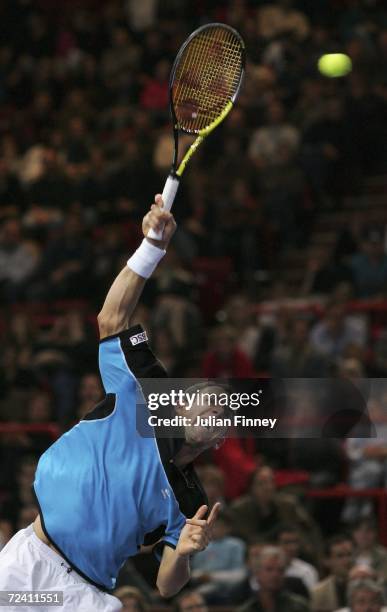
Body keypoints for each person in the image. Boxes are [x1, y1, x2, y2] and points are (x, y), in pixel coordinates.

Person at [0, 196, 225, 610]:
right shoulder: (141, 394)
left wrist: (186, 554)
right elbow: (111, 319)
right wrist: (152, 248)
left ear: (219, 440)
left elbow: (167, 584)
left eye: (221, 412)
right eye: (204, 399)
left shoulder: (191, 499)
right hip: (25, 561)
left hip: (84, 597)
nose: (210, 410)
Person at [236, 545, 310, 612]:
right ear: (257, 573)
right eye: (269, 569)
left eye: (280, 570)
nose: (275, 575)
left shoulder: (298, 607)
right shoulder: (247, 609)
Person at [311, 534, 354, 612]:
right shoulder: (319, 593)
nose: (347, 560)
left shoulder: (366, 587)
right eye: (340, 556)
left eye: (349, 554)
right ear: (327, 561)